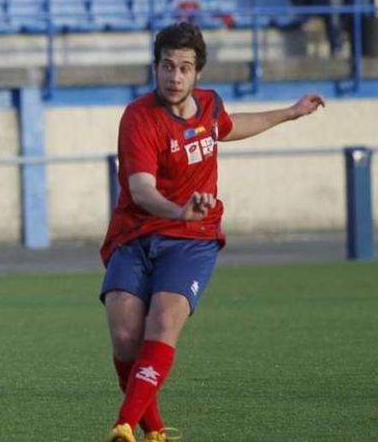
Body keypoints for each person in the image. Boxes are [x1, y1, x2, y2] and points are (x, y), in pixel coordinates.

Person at [101, 22, 325, 442]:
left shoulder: (209, 106)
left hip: (193, 238)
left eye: (184, 68)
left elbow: (229, 125)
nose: (174, 76)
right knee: (126, 336)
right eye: (167, 66)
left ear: (198, 72)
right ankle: (154, 433)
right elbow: (141, 189)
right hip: (134, 233)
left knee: (164, 320)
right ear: (155, 68)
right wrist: (178, 209)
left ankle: (124, 425)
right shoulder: (138, 118)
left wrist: (290, 112)